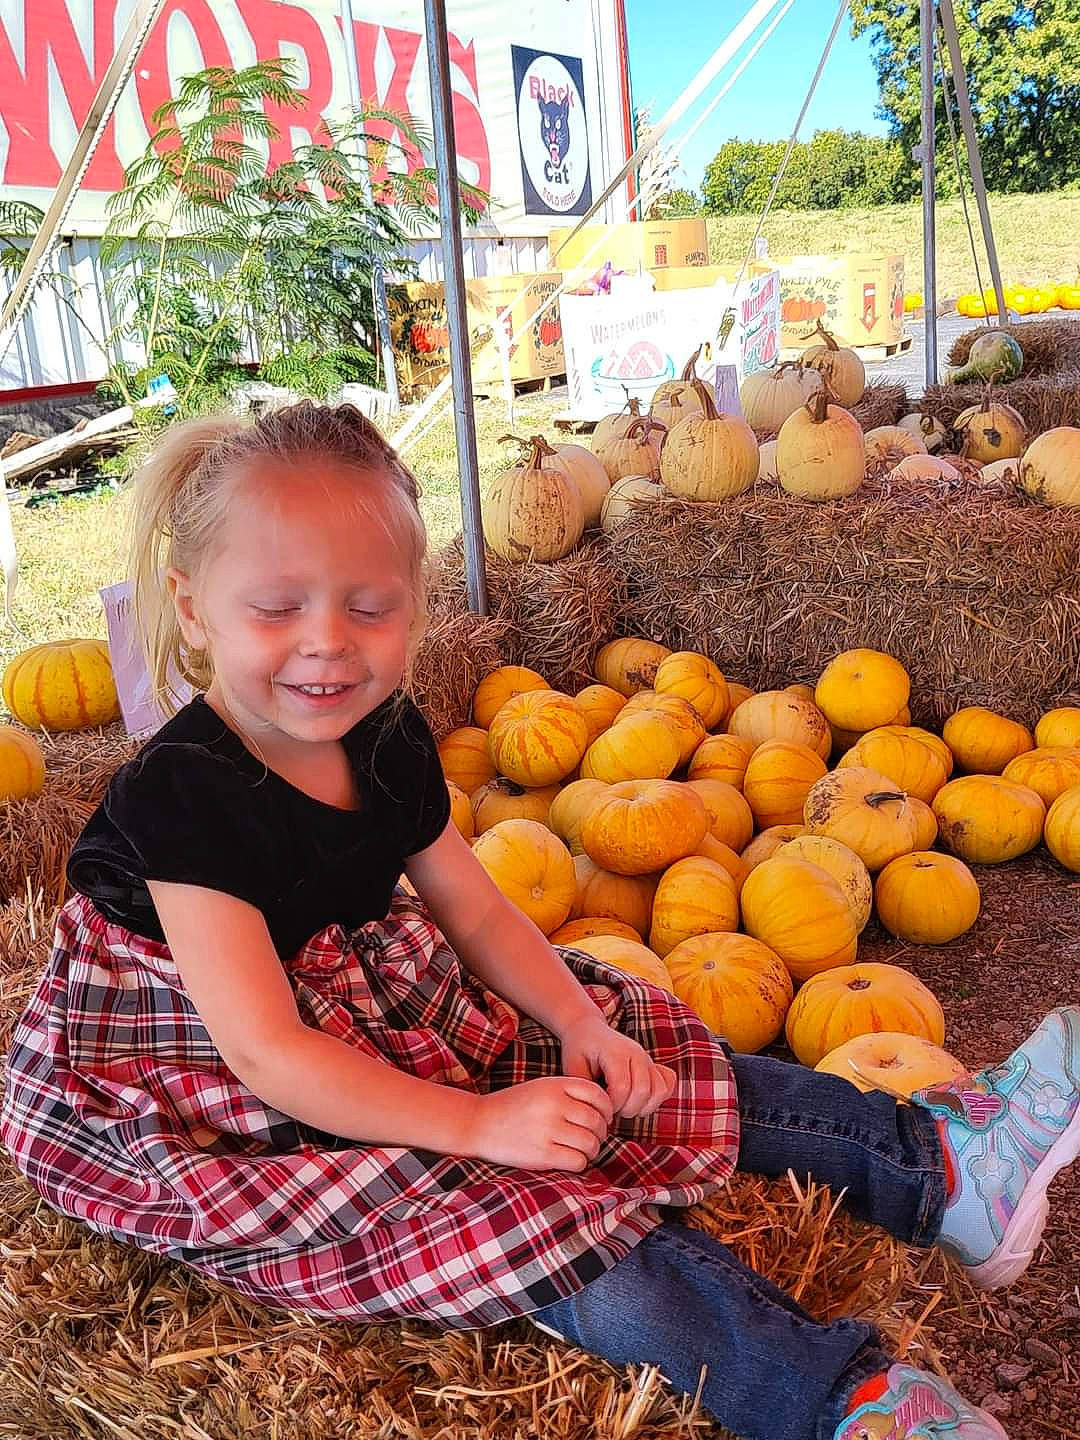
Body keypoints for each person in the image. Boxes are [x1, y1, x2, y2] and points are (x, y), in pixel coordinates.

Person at [2, 402, 1077, 1440]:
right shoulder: (184, 792)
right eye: (277, 609)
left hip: (354, 994)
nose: (327, 644)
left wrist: (580, 1023)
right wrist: (476, 1124)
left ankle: (939, 1166)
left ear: (416, 607)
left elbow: (473, 908)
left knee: (641, 1039)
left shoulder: (384, 733)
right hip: (213, 1067)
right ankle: (842, 1403)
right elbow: (267, 1051)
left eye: (369, 608)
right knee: (513, 1207)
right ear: (193, 609)